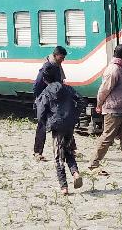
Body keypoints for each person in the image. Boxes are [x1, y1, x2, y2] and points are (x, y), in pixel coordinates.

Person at [88, 43, 122, 176]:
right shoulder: (113, 70)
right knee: (107, 138)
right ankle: (93, 165)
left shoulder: (119, 68)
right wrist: (99, 104)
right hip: (113, 111)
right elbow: (104, 90)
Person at [35, 64, 83, 194]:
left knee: (58, 157)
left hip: (57, 127)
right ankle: (75, 173)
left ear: (45, 79)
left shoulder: (46, 92)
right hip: (69, 125)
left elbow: (40, 112)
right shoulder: (68, 88)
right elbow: (80, 100)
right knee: (68, 152)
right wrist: (74, 115)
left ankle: (64, 187)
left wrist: (46, 122)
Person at [33, 45, 67, 161]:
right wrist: (40, 99)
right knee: (42, 125)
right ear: (55, 55)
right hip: (45, 100)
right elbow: (37, 85)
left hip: (54, 100)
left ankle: (68, 149)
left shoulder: (56, 65)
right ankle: (38, 152)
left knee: (62, 124)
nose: (63, 60)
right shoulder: (47, 67)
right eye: (61, 58)